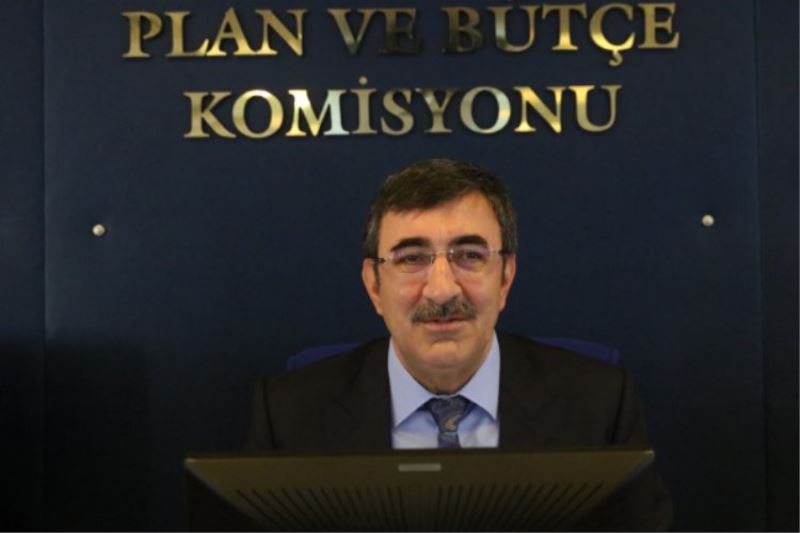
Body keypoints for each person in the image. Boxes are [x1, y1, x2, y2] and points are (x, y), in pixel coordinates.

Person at [246, 158, 672, 530]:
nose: (442, 289)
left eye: (469, 255)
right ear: (374, 285)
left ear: (505, 277)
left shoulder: (599, 406)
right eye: (412, 258)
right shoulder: (289, 416)